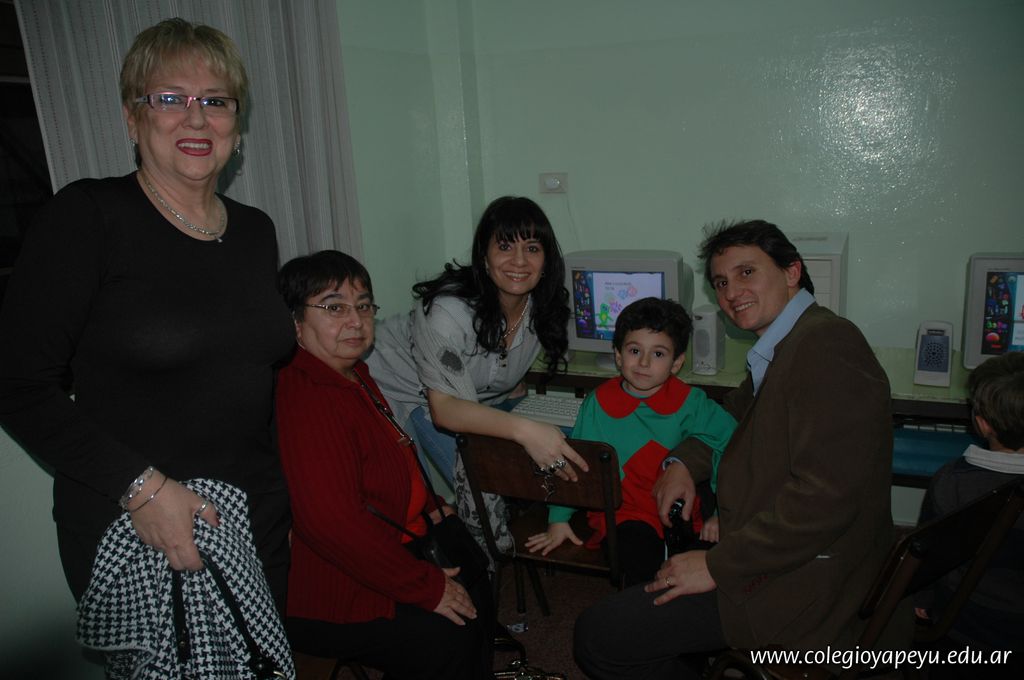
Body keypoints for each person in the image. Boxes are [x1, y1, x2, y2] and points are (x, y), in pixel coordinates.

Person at [0, 18, 293, 608]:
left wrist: (282, 503)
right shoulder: (88, 217)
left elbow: (252, 386)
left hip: (253, 519)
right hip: (140, 528)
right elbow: (17, 384)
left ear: (236, 125)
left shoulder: (255, 231)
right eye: (169, 98)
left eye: (215, 100)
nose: (196, 118)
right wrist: (142, 490)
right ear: (132, 119)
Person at [574, 220, 893, 679]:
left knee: (599, 637)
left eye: (746, 273)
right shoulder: (784, 346)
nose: (731, 292)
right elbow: (731, 419)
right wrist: (682, 462)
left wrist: (717, 566)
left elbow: (825, 500)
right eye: (721, 282)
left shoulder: (826, 347)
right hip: (770, 550)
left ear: (791, 271)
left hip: (799, 582)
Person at [274, 250, 489, 679]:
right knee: (449, 632)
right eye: (334, 308)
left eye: (363, 306)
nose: (356, 321)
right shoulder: (306, 397)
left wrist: (427, 505)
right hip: (332, 590)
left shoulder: (353, 374)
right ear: (295, 322)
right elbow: (332, 524)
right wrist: (424, 587)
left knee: (471, 564)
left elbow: (387, 457)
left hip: (387, 540)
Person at [365, 196, 589, 546]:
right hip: (401, 388)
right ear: (484, 257)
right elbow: (444, 409)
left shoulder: (542, 308)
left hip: (464, 398)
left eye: (532, 248)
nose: (519, 261)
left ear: (546, 260)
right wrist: (526, 431)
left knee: (582, 435)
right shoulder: (448, 311)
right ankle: (483, 564)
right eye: (505, 246)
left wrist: (525, 416)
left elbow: (506, 374)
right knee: (470, 491)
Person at [525, 297, 736, 586]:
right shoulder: (598, 403)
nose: (644, 363)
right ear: (618, 355)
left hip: (682, 510)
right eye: (635, 351)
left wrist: (723, 513)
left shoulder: (692, 402)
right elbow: (575, 463)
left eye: (658, 354)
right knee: (640, 569)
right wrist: (558, 519)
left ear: (676, 363)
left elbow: (732, 446)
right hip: (623, 512)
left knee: (714, 569)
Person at [914, 351, 1024, 679]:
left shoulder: (952, 482)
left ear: (982, 423)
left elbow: (927, 560)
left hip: (965, 633)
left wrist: (924, 601)